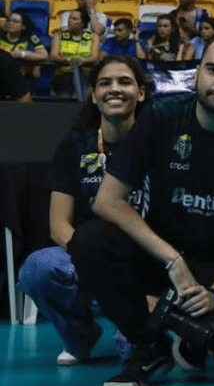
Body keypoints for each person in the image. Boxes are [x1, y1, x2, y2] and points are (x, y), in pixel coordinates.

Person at [67, 35, 214, 386]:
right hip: (159, 253)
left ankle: (195, 331)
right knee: (89, 241)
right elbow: (107, 200)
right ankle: (149, 345)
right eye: (213, 69)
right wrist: (173, 260)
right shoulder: (161, 117)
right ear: (197, 74)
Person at [17, 56, 148, 365]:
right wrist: (97, 261)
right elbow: (58, 226)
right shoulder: (74, 146)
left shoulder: (157, 143)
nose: (114, 89)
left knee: (135, 354)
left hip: (145, 261)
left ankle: (138, 331)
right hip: (86, 254)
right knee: (38, 268)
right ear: (93, 94)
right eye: (105, 83)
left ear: (141, 92)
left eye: (124, 82)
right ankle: (79, 336)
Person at [50, 8, 101, 97]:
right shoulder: (59, 35)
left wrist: (81, 61)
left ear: (83, 23)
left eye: (74, 19)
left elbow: (94, 57)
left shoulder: (93, 36)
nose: (70, 21)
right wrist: (69, 60)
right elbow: (53, 56)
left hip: (86, 75)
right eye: (70, 18)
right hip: (64, 75)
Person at [1, 11, 49, 80]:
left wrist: (22, 54)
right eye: (9, 21)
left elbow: (44, 55)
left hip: (18, 76)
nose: (11, 23)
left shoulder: (30, 36)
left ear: (23, 26)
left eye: (15, 21)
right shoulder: (1, 34)